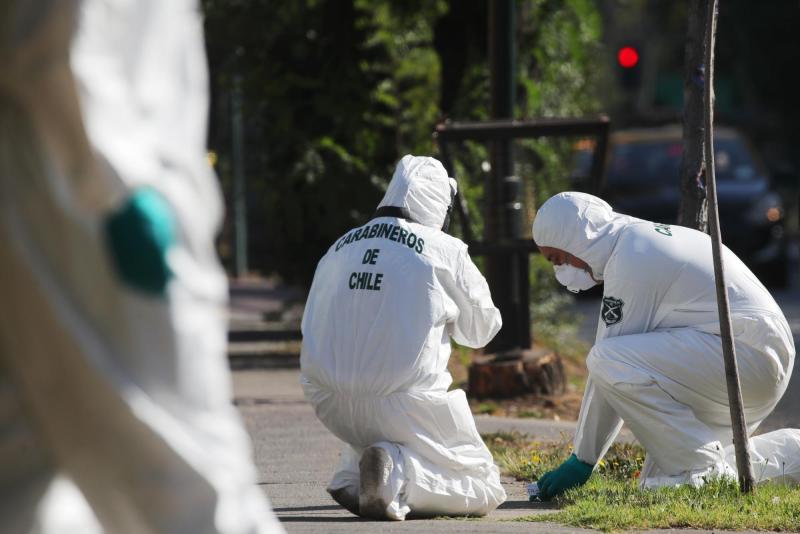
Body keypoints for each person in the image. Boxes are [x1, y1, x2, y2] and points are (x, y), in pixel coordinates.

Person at [0, 1, 284, 532]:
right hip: (95, 200)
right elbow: (56, 41)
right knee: (182, 455)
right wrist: (112, 186)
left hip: (70, 176)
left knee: (25, 455)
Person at [530, 192, 798, 500]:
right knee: (661, 480)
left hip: (747, 355)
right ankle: (793, 454)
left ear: (577, 239)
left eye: (558, 258)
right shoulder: (638, 239)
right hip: (752, 355)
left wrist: (583, 460)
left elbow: (611, 366)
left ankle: (704, 472)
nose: (560, 270)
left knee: (606, 358)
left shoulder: (631, 257)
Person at [300, 154, 506, 520]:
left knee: (375, 415)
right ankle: (398, 476)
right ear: (440, 205)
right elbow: (481, 331)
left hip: (327, 401)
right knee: (484, 484)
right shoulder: (444, 250)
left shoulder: (338, 247)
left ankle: (352, 474)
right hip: (405, 403)